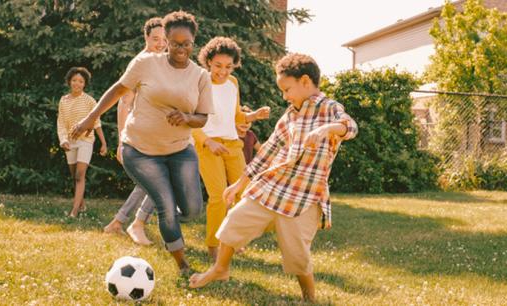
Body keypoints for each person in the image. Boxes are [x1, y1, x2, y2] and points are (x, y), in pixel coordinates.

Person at [188, 53, 358, 302]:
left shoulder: (329, 108)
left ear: (305, 81)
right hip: (273, 187)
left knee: (297, 254)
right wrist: (239, 184)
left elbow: (351, 126)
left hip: (305, 195)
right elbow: (267, 153)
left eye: (287, 89)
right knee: (234, 220)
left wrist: (327, 129)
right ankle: (220, 268)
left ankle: (309, 296)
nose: (284, 96)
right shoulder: (290, 115)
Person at [71, 11, 213, 274]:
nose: (181, 49)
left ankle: (162, 220)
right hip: (140, 150)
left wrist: (186, 117)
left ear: (193, 42)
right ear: (166, 41)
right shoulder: (146, 63)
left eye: (187, 44)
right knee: (167, 208)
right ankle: (182, 265)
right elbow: (118, 90)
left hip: (180, 150)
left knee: (193, 210)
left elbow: (202, 117)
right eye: (175, 43)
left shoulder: (200, 76)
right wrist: (91, 118)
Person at [193, 36, 270, 261]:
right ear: (208, 62)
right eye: (218, 66)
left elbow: (235, 115)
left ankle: (233, 241)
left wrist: (253, 115)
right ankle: (213, 246)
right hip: (208, 146)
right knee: (218, 197)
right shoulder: (199, 82)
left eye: (228, 66)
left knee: (242, 195)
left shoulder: (233, 83)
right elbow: (190, 120)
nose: (223, 71)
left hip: (232, 145)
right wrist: (208, 142)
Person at [103, 17, 167, 246]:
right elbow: (123, 102)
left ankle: (119, 223)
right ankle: (134, 223)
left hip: (156, 131)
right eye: (155, 39)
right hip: (140, 132)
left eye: (164, 39)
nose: (161, 43)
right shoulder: (141, 62)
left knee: (148, 181)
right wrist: (122, 141)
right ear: (146, 38)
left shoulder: (162, 63)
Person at [57, 67, 107, 218]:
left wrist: (103, 143)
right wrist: (63, 140)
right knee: (75, 176)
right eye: (74, 80)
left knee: (80, 175)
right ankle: (82, 204)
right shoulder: (63, 100)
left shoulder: (90, 101)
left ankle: (74, 211)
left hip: (86, 141)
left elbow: (97, 122)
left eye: (80, 81)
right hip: (70, 143)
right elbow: (61, 123)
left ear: (85, 84)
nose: (77, 83)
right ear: (69, 82)